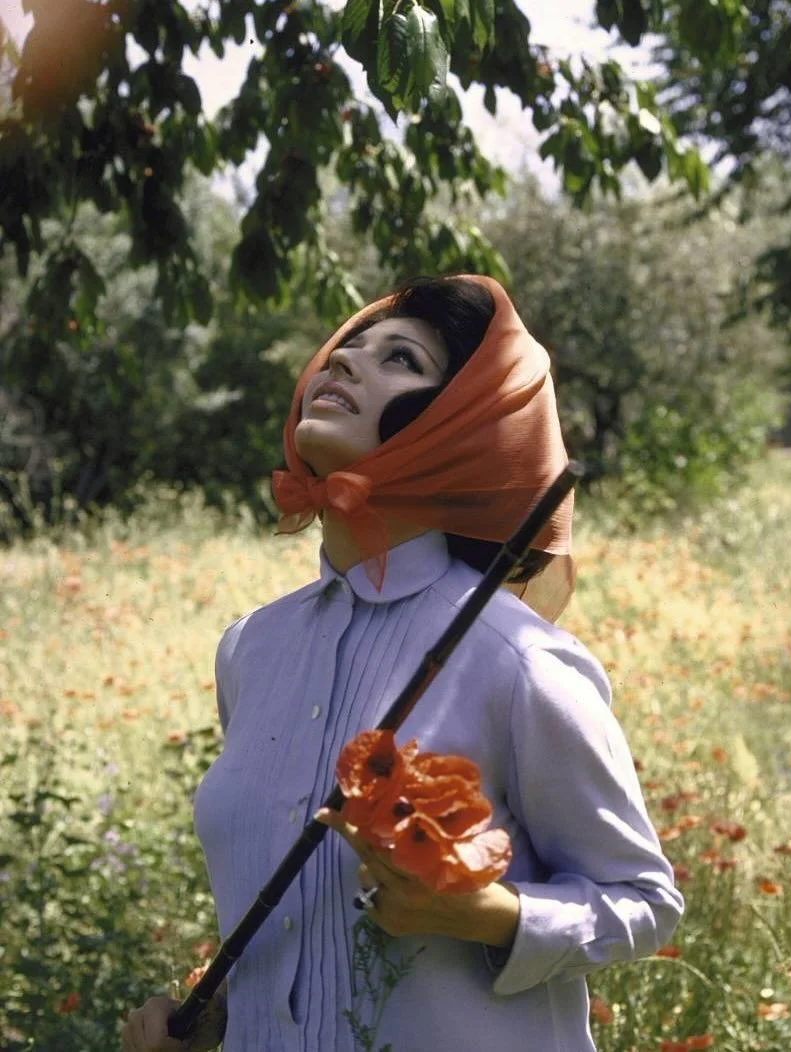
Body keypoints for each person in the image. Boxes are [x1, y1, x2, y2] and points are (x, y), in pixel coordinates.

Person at [121, 275, 683, 1052]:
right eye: (344, 351)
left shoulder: (517, 661)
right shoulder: (249, 649)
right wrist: (213, 1018)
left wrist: (489, 915)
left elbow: (644, 900)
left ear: (460, 423)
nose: (342, 365)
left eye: (399, 358)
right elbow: (291, 912)